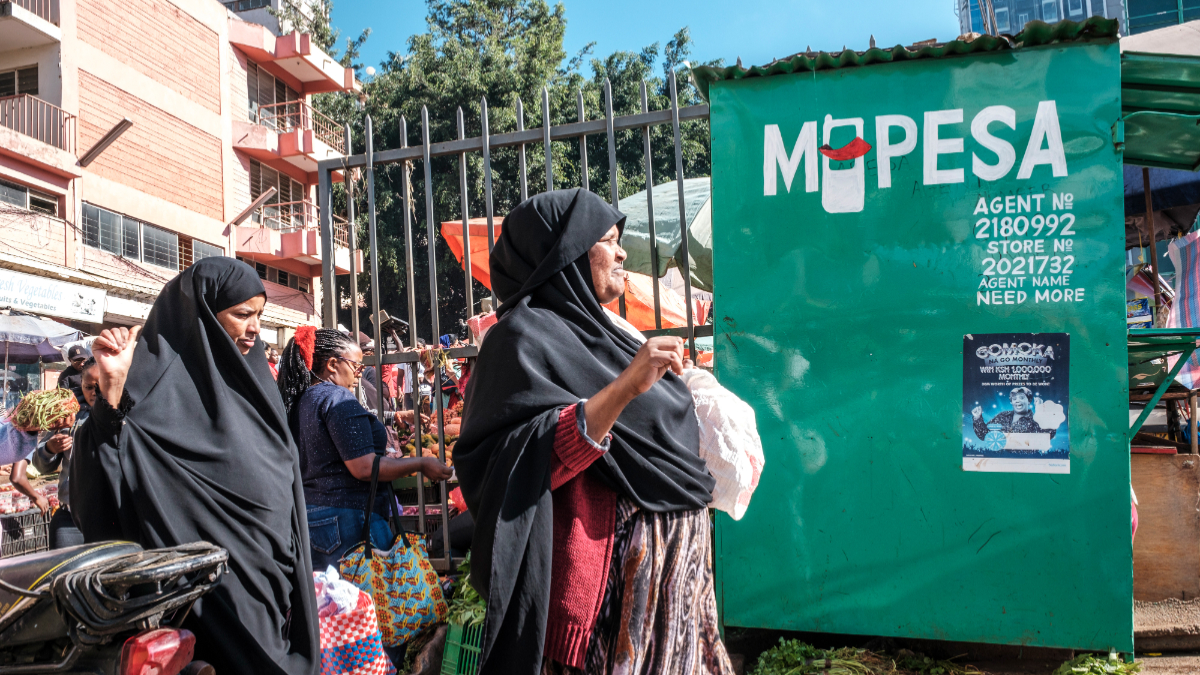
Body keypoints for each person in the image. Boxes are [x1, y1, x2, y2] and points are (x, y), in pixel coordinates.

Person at [455, 189, 732, 675]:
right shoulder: (519, 340)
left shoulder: (610, 333)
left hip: (674, 588)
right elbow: (516, 459)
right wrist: (625, 387)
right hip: (608, 603)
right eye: (608, 239)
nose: (623, 252)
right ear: (566, 254)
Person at [70, 257, 320, 675]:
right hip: (203, 606)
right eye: (242, 315)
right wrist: (111, 395)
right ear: (202, 315)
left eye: (260, 315)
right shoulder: (143, 405)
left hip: (273, 593)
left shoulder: (259, 390)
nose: (255, 328)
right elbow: (99, 498)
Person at [277, 326, 451, 571]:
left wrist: (396, 415)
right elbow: (364, 467)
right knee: (367, 604)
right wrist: (422, 464)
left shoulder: (305, 399)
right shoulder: (337, 399)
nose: (359, 374)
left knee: (337, 607)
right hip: (349, 521)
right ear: (333, 364)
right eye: (356, 366)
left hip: (315, 519)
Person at [33, 357, 98, 548]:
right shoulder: (66, 415)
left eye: (102, 386)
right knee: (65, 576)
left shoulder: (126, 415)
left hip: (113, 518)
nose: (95, 392)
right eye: (89, 387)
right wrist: (49, 449)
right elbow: (39, 464)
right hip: (70, 519)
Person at [972, 386, 1057, 440]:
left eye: (1022, 397)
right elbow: (985, 435)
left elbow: (1048, 435)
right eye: (1014, 398)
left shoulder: (1036, 419)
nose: (1017, 401)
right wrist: (977, 418)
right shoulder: (1002, 416)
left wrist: (1041, 411)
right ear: (1011, 402)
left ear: (1029, 401)